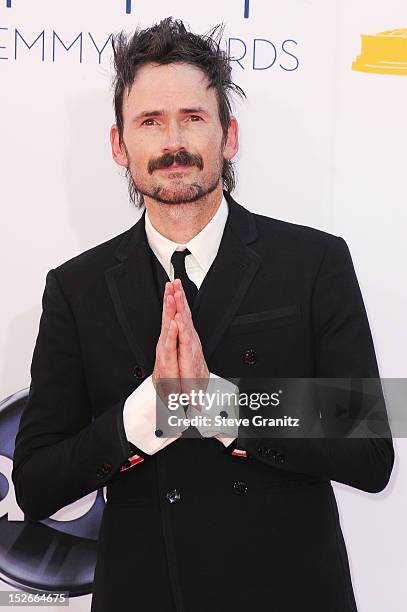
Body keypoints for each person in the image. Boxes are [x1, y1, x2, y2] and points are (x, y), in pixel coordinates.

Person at [12, 17, 394, 612]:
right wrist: (147, 415)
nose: (173, 142)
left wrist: (218, 404)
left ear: (229, 135)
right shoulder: (75, 288)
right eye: (149, 121)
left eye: (193, 117)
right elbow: (36, 484)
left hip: (290, 594)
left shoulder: (314, 261)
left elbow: (371, 448)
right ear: (119, 144)